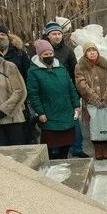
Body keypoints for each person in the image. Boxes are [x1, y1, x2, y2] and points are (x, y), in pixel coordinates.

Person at [26, 39, 80, 159]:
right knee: (50, 144)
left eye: (50, 53)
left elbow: (71, 88)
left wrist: (76, 105)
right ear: (40, 56)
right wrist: (40, 112)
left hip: (65, 111)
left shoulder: (61, 68)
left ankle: (63, 163)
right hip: (48, 112)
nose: (49, 56)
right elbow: (33, 94)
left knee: (66, 142)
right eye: (46, 54)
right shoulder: (33, 71)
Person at [42, 20, 87, 158]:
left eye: (59, 34)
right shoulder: (42, 50)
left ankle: (77, 148)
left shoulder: (68, 51)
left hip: (67, 92)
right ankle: (56, 150)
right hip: (49, 94)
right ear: (48, 36)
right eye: (54, 34)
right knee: (54, 124)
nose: (57, 36)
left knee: (73, 121)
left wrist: (76, 93)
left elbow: (75, 72)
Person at [75, 42, 107, 160]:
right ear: (85, 53)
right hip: (91, 102)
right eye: (89, 50)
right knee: (95, 125)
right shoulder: (80, 66)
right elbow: (81, 84)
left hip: (106, 101)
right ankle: (97, 149)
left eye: (94, 50)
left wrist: (106, 97)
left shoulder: (104, 64)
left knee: (105, 124)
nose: (92, 52)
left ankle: (105, 148)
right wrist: (95, 99)